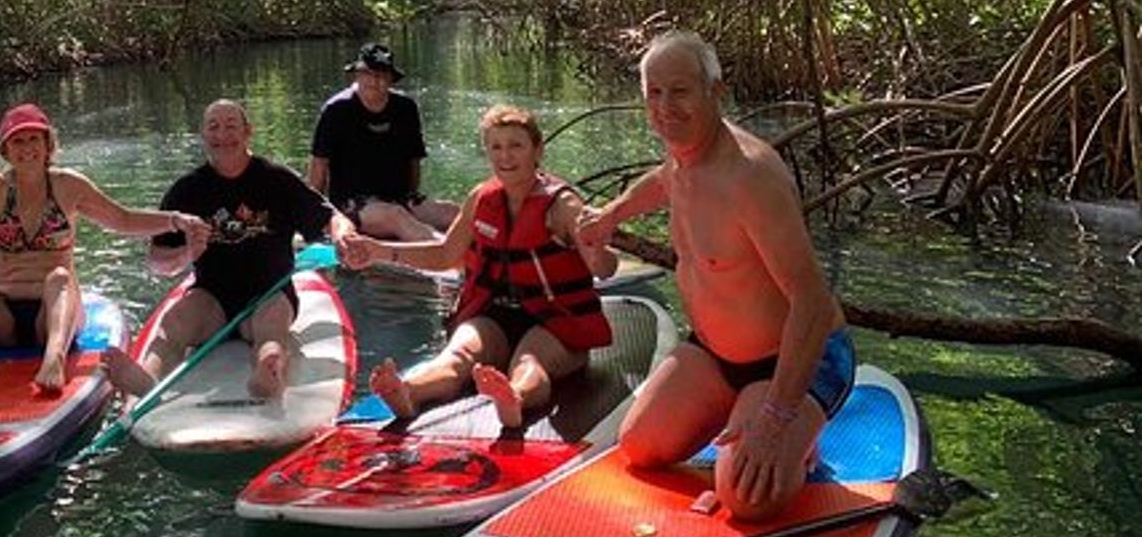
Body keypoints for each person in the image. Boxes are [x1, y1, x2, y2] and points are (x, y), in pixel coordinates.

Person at [576, 31, 853, 524]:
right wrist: (610, 216)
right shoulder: (683, 158)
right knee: (639, 447)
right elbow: (663, 180)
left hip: (791, 359)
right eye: (654, 94)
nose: (665, 107)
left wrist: (776, 419)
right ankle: (744, 417)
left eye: (680, 91)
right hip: (714, 352)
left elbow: (810, 304)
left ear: (715, 91)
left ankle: (799, 437)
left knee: (749, 500)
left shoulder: (750, 178)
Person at [0, 102, 211, 395]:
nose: (27, 147)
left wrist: (174, 220)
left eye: (34, 138)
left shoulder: (69, 185)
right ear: (5, 150)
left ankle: (54, 360)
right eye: (18, 140)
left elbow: (121, 219)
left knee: (60, 276)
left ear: (48, 145)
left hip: (55, 317)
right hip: (4, 318)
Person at [340, 104, 617, 425]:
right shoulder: (481, 199)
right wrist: (379, 251)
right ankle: (407, 391)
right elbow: (445, 255)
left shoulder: (564, 206)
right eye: (496, 147)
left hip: (555, 322)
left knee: (529, 362)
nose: (505, 156)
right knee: (457, 357)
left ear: (537, 150)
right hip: (494, 314)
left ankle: (514, 398)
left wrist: (596, 251)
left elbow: (606, 269)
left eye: (516, 146)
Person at [100, 99, 356, 401]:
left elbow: (331, 217)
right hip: (212, 299)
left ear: (248, 132)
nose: (223, 135)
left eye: (231, 126)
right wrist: (187, 255)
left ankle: (268, 370)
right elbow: (158, 262)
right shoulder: (187, 190)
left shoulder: (277, 180)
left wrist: (343, 236)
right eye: (214, 127)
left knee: (271, 327)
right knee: (175, 323)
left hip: (269, 293)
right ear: (204, 136)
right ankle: (147, 378)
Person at [307, 42, 457, 240]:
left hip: (398, 196)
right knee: (397, 217)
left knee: (451, 212)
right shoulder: (336, 110)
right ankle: (450, 259)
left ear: (390, 79)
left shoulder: (405, 108)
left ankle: (495, 250)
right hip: (352, 204)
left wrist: (411, 197)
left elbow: (414, 160)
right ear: (357, 74)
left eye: (381, 75)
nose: (374, 80)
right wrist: (312, 217)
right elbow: (319, 165)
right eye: (368, 73)